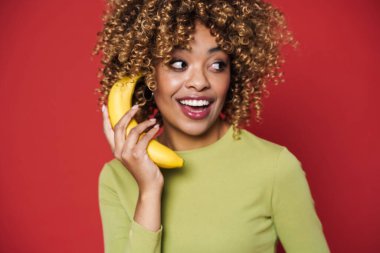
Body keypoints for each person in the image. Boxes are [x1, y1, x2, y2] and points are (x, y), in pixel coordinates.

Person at [93, 0, 330, 252]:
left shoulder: (276, 168)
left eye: (217, 65)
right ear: (148, 75)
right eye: (179, 63)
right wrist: (149, 191)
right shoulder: (116, 178)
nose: (199, 82)